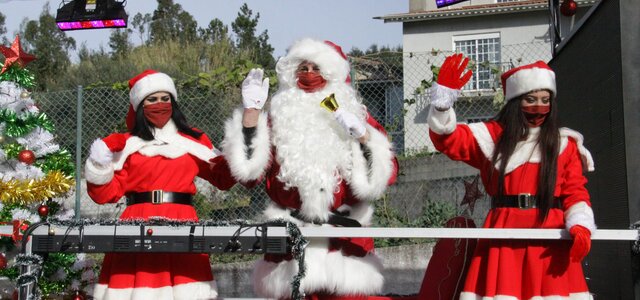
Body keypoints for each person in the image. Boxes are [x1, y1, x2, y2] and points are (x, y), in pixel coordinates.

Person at [221, 38, 399, 300]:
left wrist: (363, 138)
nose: (309, 76)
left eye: (317, 69)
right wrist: (250, 117)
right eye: (302, 69)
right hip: (290, 243)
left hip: (344, 245)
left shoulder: (358, 118)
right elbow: (248, 174)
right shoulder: (276, 120)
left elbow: (386, 176)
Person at [427, 55, 596, 300]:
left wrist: (580, 224)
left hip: (550, 232)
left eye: (545, 100)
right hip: (504, 231)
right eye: (531, 99)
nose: (538, 106)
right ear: (516, 102)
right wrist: (442, 105)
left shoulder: (565, 145)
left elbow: (575, 191)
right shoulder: (492, 137)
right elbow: (449, 140)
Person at [84, 70, 237, 299]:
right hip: (137, 222)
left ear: (174, 103)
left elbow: (223, 178)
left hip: (182, 222)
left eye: (166, 98)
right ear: (139, 105)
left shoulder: (194, 140)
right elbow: (104, 194)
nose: (160, 104)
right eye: (152, 99)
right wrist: (100, 159)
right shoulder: (127, 144)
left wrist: (241, 136)